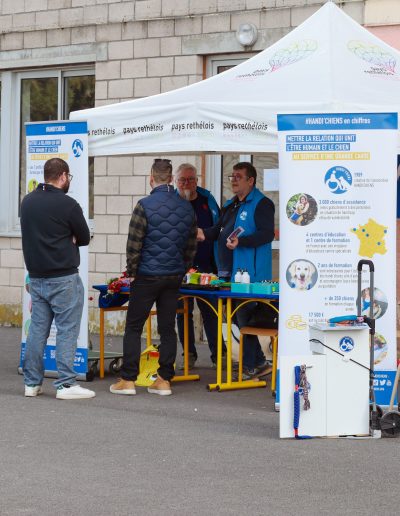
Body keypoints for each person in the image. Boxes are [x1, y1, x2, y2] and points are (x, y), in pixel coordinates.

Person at [110, 158, 197, 396]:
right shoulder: (186, 207)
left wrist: (132, 272)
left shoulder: (144, 205)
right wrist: (182, 268)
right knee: (168, 328)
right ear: (171, 179)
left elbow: (134, 243)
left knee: (134, 326)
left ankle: (128, 380)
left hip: (147, 275)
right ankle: (164, 380)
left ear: (151, 178)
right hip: (173, 276)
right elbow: (191, 245)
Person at [20, 158, 95, 400]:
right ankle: (65, 384)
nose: (68, 181)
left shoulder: (27, 202)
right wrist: (69, 236)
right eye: (68, 177)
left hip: (36, 277)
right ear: (62, 176)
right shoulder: (68, 205)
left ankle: (31, 383)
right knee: (67, 330)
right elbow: (84, 237)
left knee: (37, 330)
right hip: (63, 277)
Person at [198, 162, 275, 380]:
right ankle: (258, 362)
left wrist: (242, 242)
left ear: (251, 181)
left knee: (243, 316)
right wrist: (201, 233)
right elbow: (218, 230)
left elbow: (267, 234)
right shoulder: (230, 204)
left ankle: (252, 364)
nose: (233, 180)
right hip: (228, 271)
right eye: (232, 176)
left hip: (250, 274)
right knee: (238, 318)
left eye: (238, 177)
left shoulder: (262, 204)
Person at [175, 163, 226, 368]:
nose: (187, 183)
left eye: (190, 179)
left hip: (206, 266)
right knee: (182, 313)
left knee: (211, 312)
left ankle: (219, 355)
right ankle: (189, 355)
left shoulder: (208, 200)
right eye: (182, 180)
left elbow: (220, 227)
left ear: (197, 180)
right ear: (176, 181)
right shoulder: (172, 202)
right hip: (179, 267)